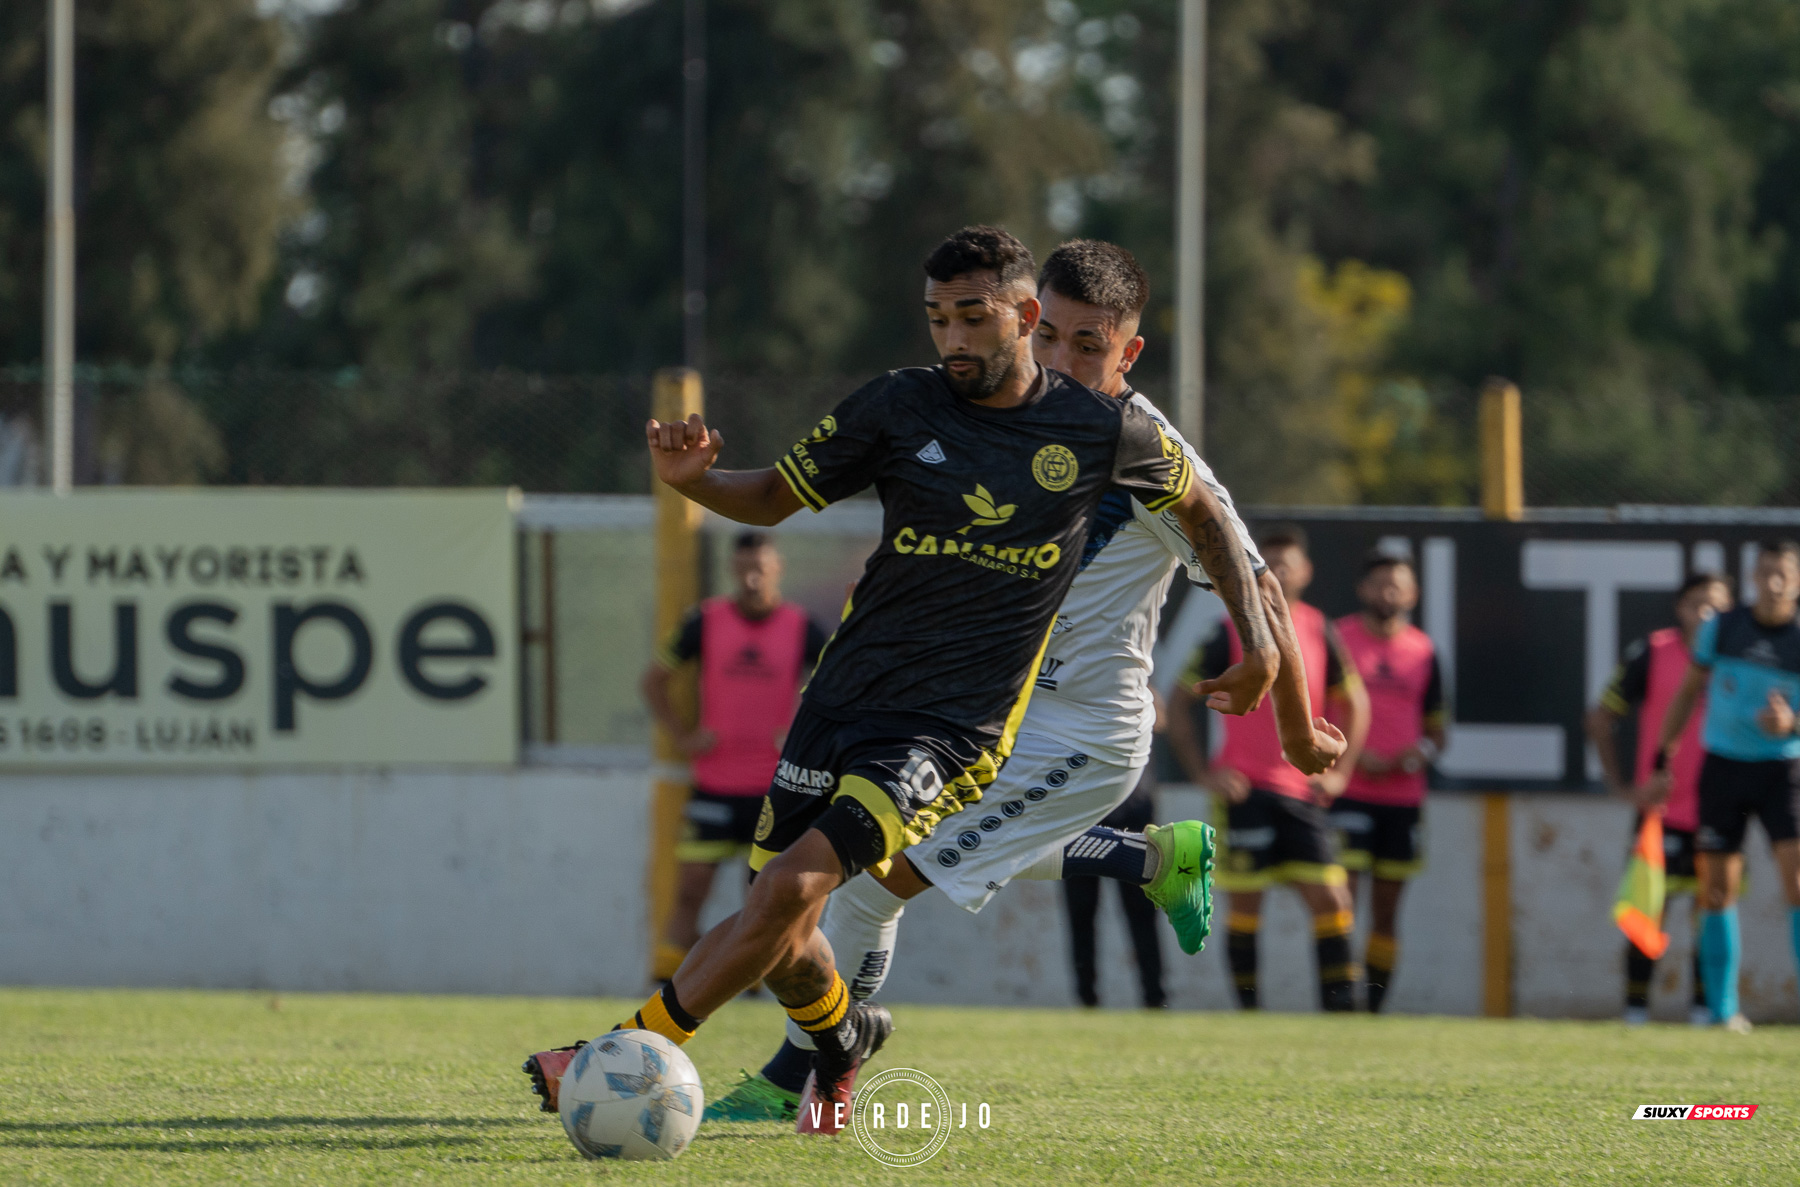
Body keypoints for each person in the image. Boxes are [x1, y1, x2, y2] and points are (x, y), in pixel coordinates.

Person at [526, 226, 1341, 1123]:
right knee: (807, 893)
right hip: (938, 702)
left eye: (1089, 345)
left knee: (855, 888)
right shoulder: (946, 408)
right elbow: (795, 493)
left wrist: (1297, 725)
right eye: (1051, 337)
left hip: (1070, 730)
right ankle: (1143, 860)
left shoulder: (1129, 440)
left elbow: (1251, 570)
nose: (1062, 360)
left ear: (1128, 351)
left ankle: (782, 1077)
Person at [1166, 526, 1370, 1012]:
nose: (1277, 569)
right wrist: (1202, 773)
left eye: (1287, 561)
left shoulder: (1321, 629)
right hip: (1244, 791)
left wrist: (1341, 772)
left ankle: (1344, 1018)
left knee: (1333, 900)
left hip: (1302, 792)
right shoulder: (1234, 630)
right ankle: (1250, 1018)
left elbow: (1356, 704)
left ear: (1305, 572)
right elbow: (1179, 701)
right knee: (1245, 906)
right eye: (1269, 560)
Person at [641, 531, 829, 983]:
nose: (751, 577)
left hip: (776, 788)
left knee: (766, 899)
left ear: (777, 569)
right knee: (690, 889)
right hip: (714, 782)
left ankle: (747, 981)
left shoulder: (802, 627)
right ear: (732, 568)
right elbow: (654, 680)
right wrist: (684, 737)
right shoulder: (704, 622)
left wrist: (805, 740)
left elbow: (837, 688)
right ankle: (672, 981)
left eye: (760, 568)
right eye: (744, 568)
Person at [1650, 541, 1800, 1032]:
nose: (1774, 583)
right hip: (1724, 769)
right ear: (1753, 577)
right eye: (1766, 573)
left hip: (1784, 772)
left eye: (1784, 575)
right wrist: (1664, 751)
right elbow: (1689, 690)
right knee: (1715, 890)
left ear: (1796, 583)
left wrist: (1791, 723)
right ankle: (1722, 1011)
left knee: (1796, 884)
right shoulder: (1724, 627)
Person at [1586, 572, 1733, 1026]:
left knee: (1712, 910)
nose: (1705, 614)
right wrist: (1624, 788)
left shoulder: (1739, 658)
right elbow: (1600, 717)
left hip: (1722, 805)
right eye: (1696, 604)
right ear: (1679, 608)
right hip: (1661, 811)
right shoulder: (1653, 652)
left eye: (1716, 605)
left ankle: (1705, 1011)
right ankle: (1634, 1013)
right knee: (1649, 910)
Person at [1328, 552, 1445, 1012]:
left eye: (1397, 585)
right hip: (1348, 790)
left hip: (1402, 797)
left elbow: (1438, 731)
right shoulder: (1338, 639)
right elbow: (1315, 705)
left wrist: (1419, 755)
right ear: (1363, 589)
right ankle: (1339, 1000)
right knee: (1341, 901)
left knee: (1388, 910)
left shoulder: (1424, 651)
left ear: (1413, 594)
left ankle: (1372, 1008)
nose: (1388, 593)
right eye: (1379, 583)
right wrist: (1350, 754)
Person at [1063, 761, 1166, 1010]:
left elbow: (1162, 722)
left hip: (1133, 805)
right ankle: (1086, 1000)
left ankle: (1154, 999)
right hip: (1080, 809)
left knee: (1141, 909)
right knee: (1081, 909)